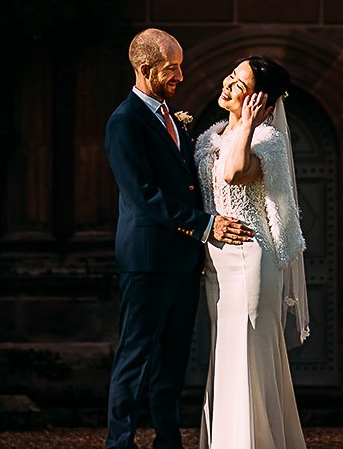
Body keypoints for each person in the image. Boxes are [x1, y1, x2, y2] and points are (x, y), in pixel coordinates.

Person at [106, 29, 255, 449]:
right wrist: (205, 224)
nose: (181, 76)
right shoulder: (124, 122)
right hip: (148, 259)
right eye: (172, 69)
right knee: (135, 358)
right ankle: (119, 443)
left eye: (180, 66)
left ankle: (168, 441)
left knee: (172, 362)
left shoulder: (172, 116)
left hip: (183, 260)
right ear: (145, 68)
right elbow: (144, 196)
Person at [192, 55, 309, 449]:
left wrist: (246, 123)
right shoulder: (211, 135)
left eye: (239, 84)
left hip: (250, 260)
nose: (227, 84)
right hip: (217, 263)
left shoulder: (267, 141)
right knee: (226, 352)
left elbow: (234, 172)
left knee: (249, 353)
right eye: (230, 75)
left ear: (262, 102)